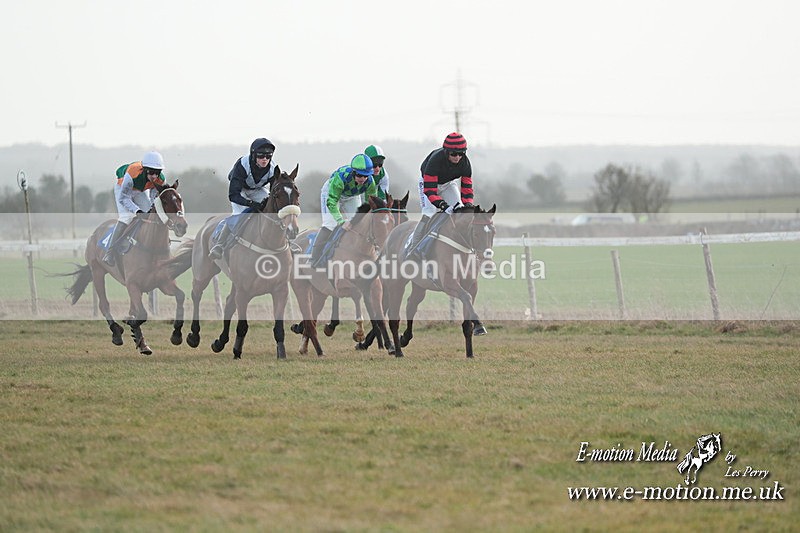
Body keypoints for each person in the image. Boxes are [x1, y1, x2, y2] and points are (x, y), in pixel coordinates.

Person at [209, 138, 277, 259]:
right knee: (240, 213)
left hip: (257, 189)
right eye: (261, 156)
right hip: (240, 190)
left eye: (268, 156)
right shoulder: (242, 165)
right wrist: (250, 203)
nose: (265, 159)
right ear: (254, 155)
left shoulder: (273, 169)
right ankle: (219, 244)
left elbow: (273, 193)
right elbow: (233, 195)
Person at [406, 132, 473, 256]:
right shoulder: (435, 161)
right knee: (429, 213)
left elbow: (467, 189)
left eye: (461, 153)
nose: (457, 157)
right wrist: (443, 206)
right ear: (446, 152)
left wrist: (469, 204)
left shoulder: (465, 163)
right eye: (453, 154)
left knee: (460, 211)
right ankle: (413, 247)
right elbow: (430, 191)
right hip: (428, 183)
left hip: (448, 183)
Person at [310, 153, 377, 266]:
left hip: (351, 196)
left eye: (366, 176)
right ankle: (314, 258)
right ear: (354, 172)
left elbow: (371, 203)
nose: (363, 179)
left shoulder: (370, 182)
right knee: (330, 224)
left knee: (359, 224)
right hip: (331, 193)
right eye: (360, 175)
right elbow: (331, 202)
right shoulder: (341, 178)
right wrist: (341, 221)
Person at [102, 151, 166, 266]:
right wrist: (137, 210)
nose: (155, 176)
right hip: (123, 190)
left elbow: (154, 196)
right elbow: (124, 198)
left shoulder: (161, 179)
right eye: (152, 172)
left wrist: (151, 208)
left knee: (149, 214)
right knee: (127, 217)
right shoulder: (132, 173)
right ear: (145, 169)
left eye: (158, 172)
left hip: (140, 191)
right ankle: (109, 253)